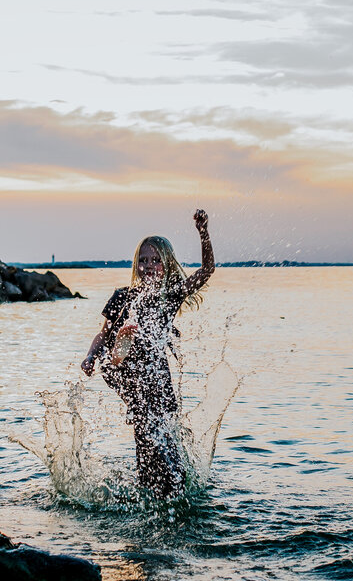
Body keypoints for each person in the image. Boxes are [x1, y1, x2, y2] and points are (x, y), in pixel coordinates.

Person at [80, 209, 214, 498]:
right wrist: (90, 356)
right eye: (143, 260)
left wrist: (203, 233)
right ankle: (118, 354)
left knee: (154, 438)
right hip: (130, 376)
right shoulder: (122, 295)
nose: (148, 266)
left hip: (157, 379)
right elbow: (102, 333)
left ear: (166, 265)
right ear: (135, 264)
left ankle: (155, 489)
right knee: (150, 432)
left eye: (155, 260)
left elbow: (207, 271)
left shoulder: (170, 296)